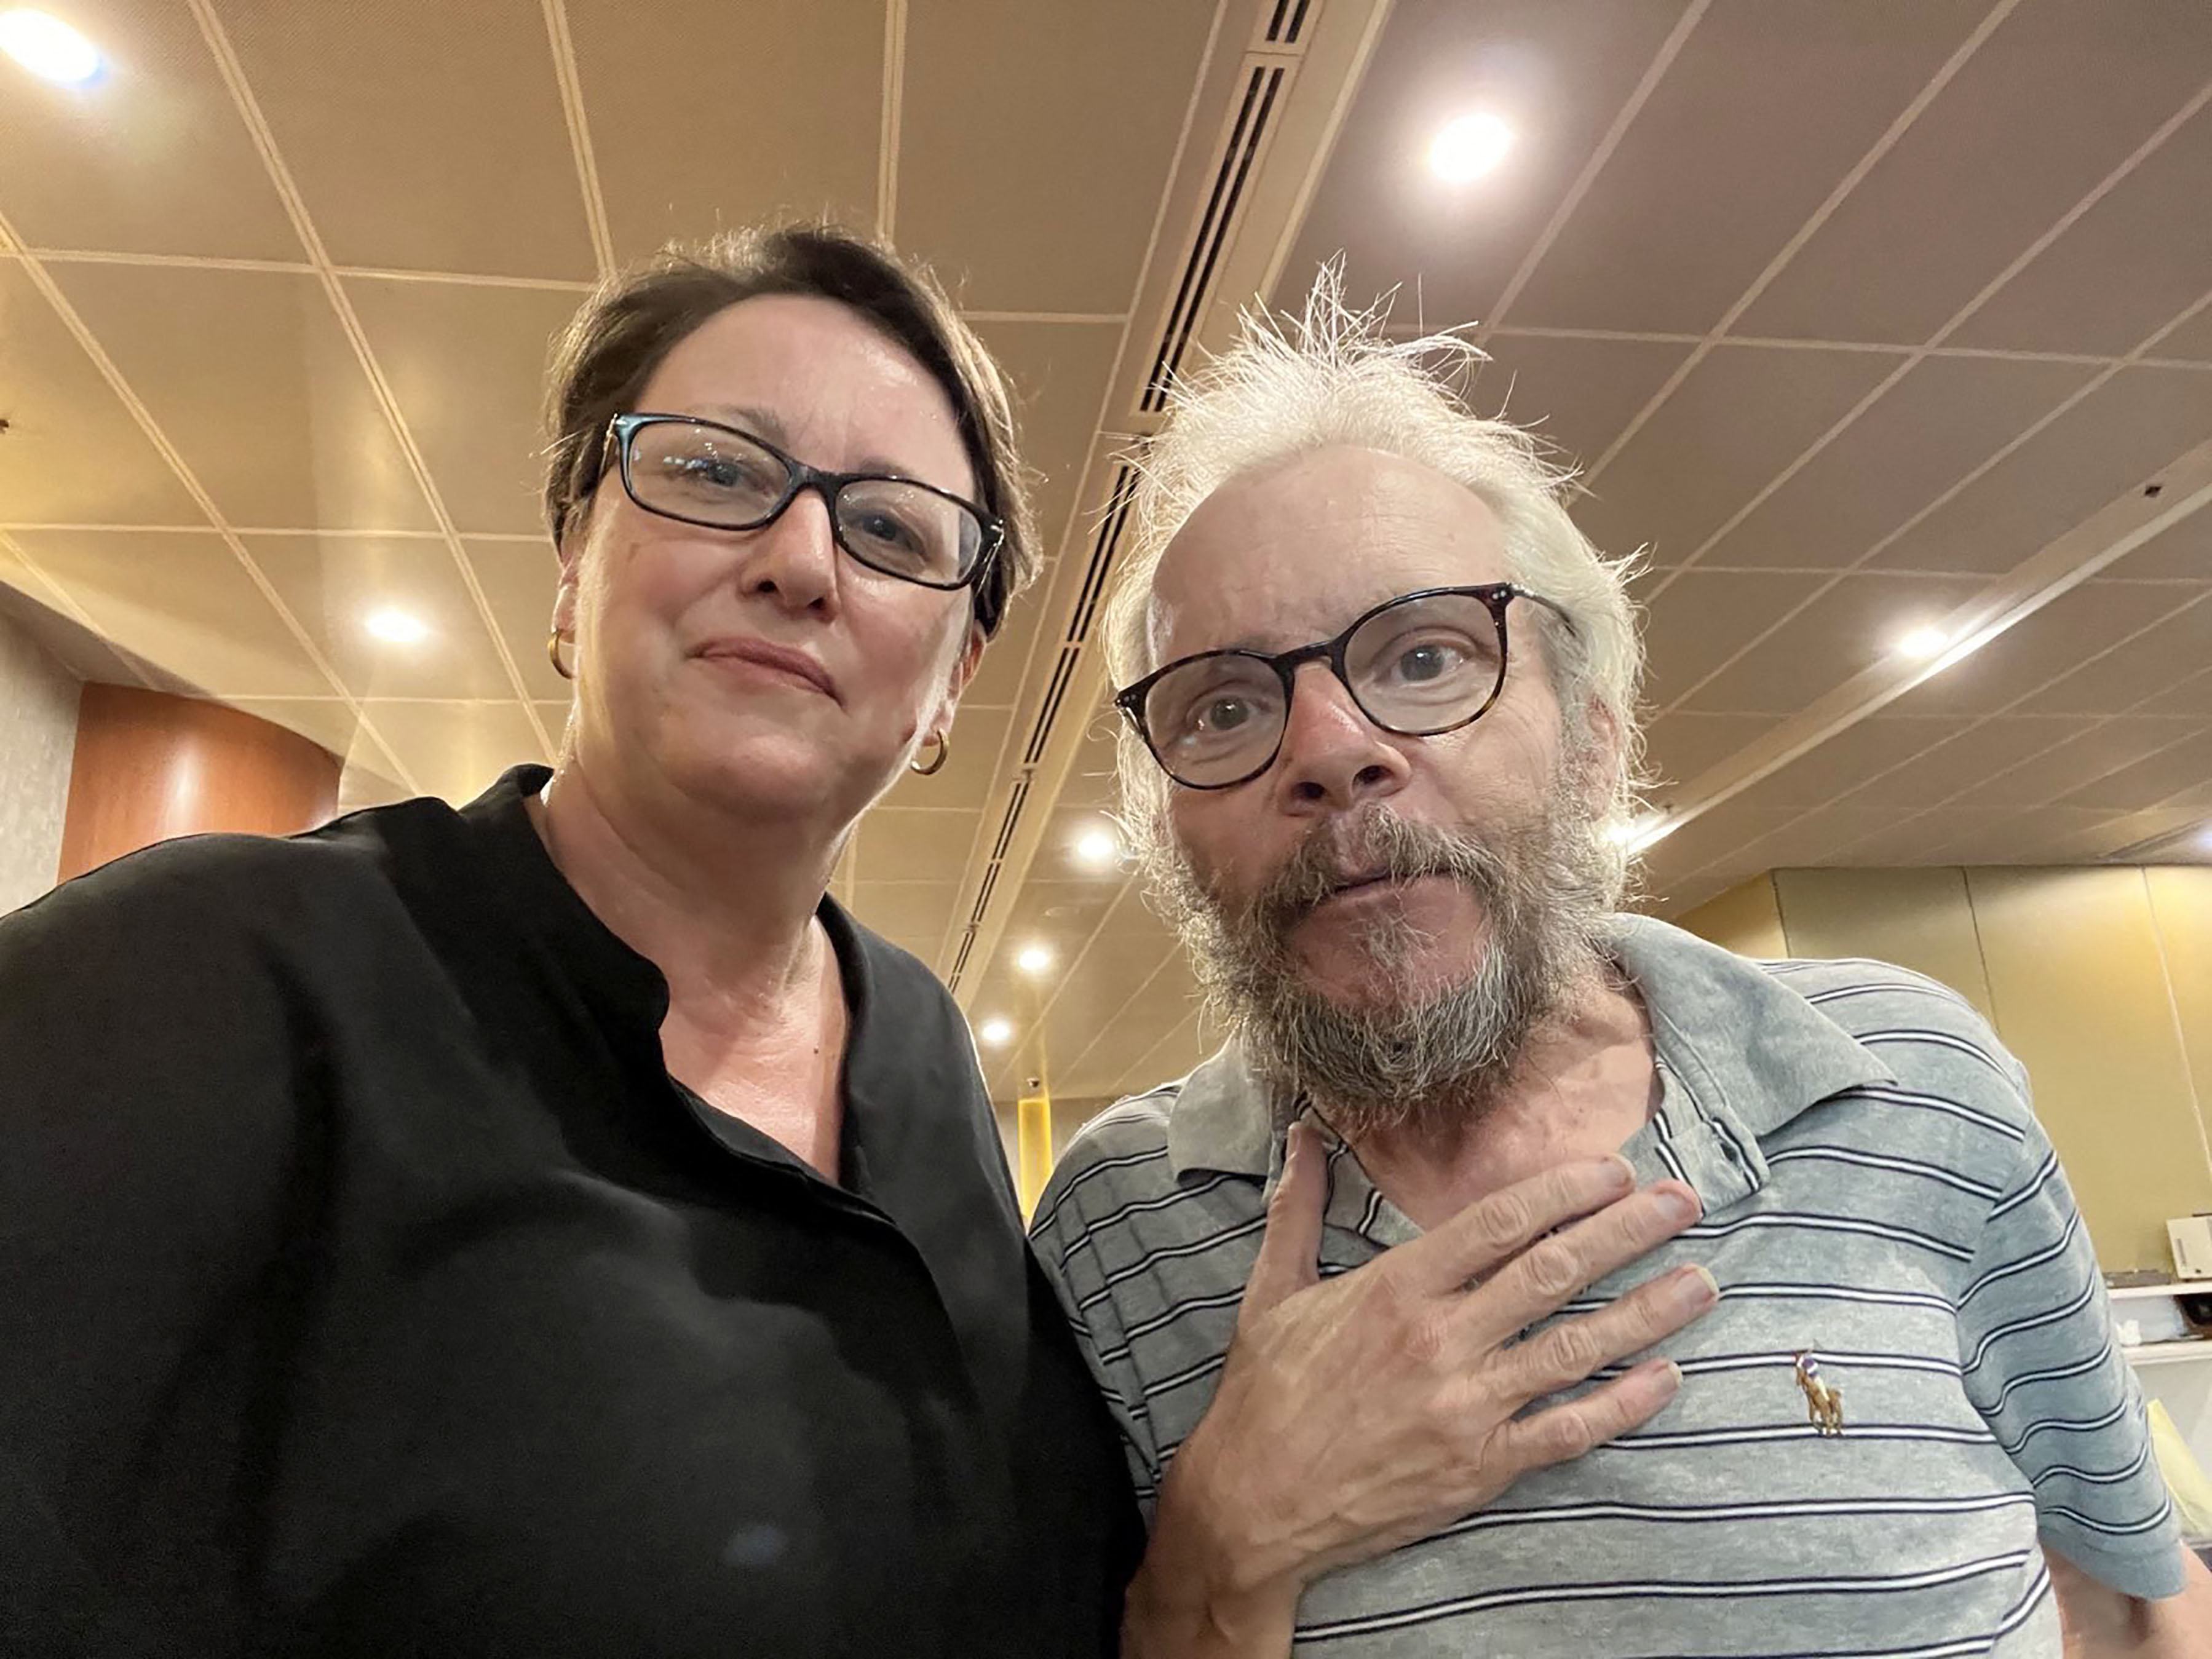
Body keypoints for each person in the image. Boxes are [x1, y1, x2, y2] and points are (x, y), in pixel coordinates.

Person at [0, 226, 1138, 1657]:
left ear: (951, 684)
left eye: (894, 528)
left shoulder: (919, 1049)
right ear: (569, 566)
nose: (800, 557)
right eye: (718, 470)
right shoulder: (202, 980)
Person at [1031, 279, 2212, 1656]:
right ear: (1172, 827)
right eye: (1224, 703)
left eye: (1423, 655)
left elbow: (2130, 1604)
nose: (1328, 743)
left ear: (1590, 738)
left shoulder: (1911, 1083)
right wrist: (1215, 1548)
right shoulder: (1121, 1224)